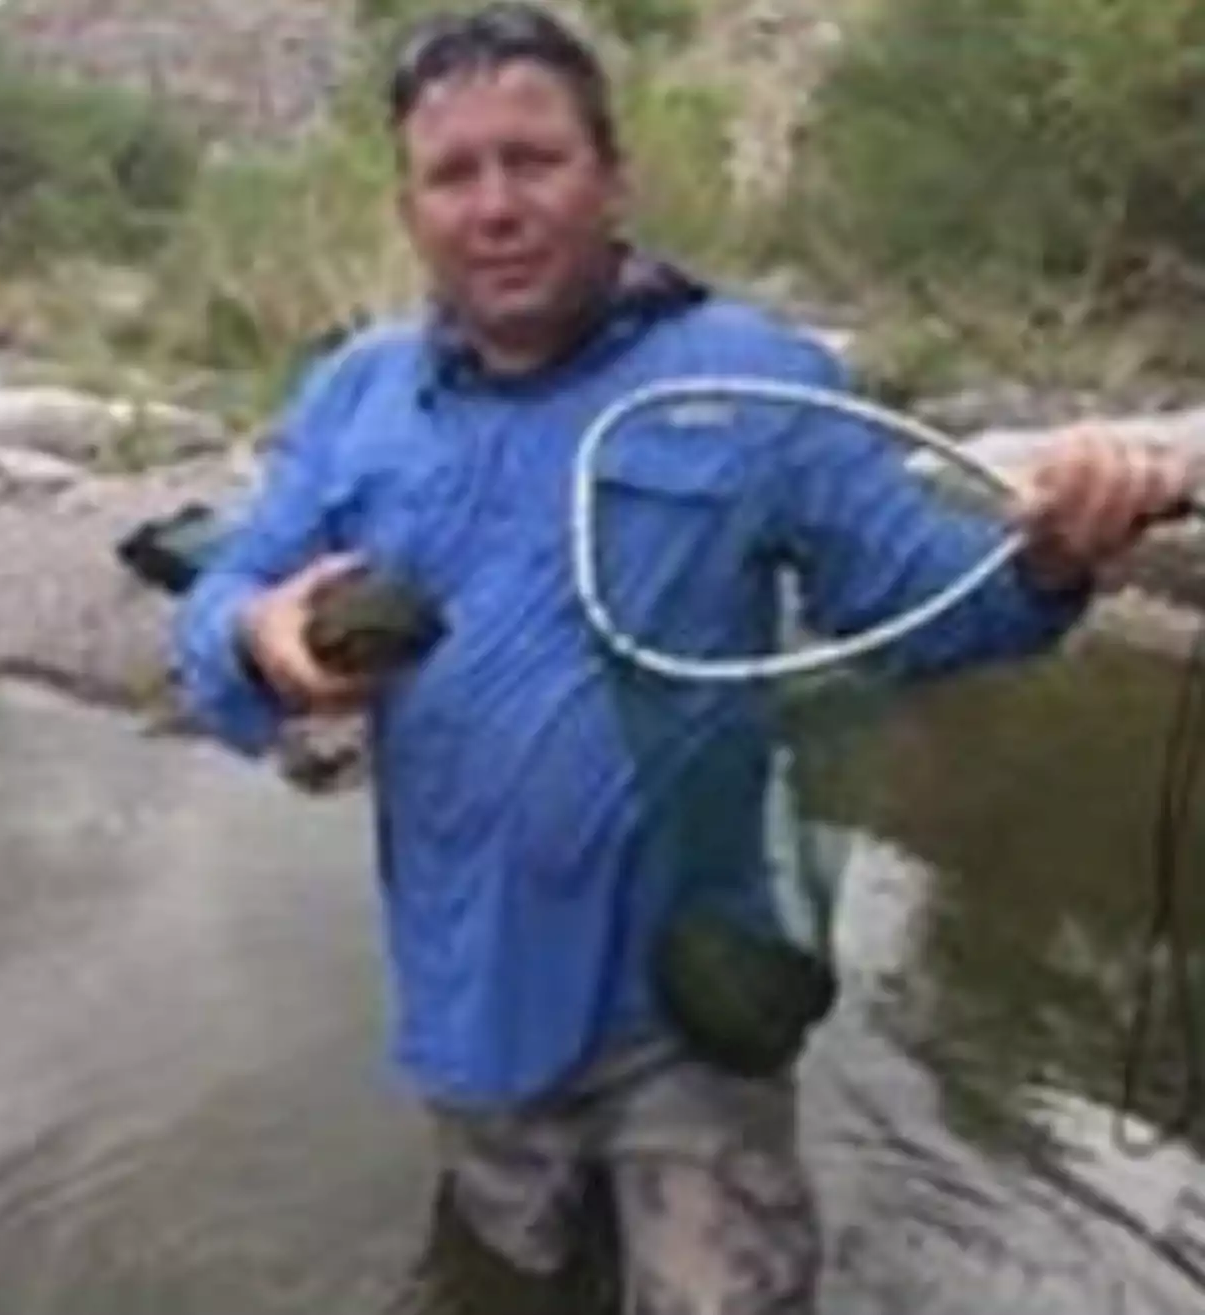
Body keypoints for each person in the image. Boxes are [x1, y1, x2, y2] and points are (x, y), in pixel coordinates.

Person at [171, 5, 1192, 1311]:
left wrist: (1054, 553)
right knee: (502, 1279)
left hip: (689, 1005)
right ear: (411, 205)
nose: (496, 204)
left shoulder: (756, 376)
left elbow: (932, 603)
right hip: (470, 996)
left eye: (533, 160)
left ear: (613, 178)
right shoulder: (356, 396)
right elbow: (222, 600)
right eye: (454, 172)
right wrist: (257, 633)